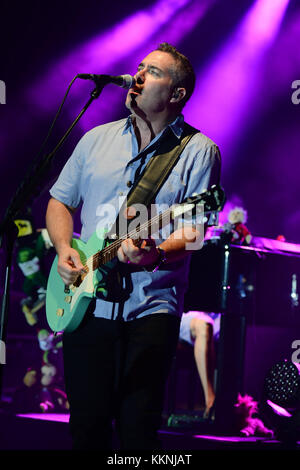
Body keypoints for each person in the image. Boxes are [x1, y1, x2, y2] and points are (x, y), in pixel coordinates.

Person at [45, 42, 221, 450]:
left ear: (177, 94)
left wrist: (156, 253)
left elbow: (196, 229)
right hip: (86, 306)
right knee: (86, 426)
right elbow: (59, 200)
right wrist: (61, 248)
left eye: (154, 71)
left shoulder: (199, 151)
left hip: (150, 308)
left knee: (137, 429)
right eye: (139, 67)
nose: (138, 75)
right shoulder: (95, 139)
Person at [179, 311, 221, 418]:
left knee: (235, 324)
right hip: (183, 314)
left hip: (216, 315)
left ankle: (232, 404)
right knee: (204, 326)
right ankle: (210, 403)